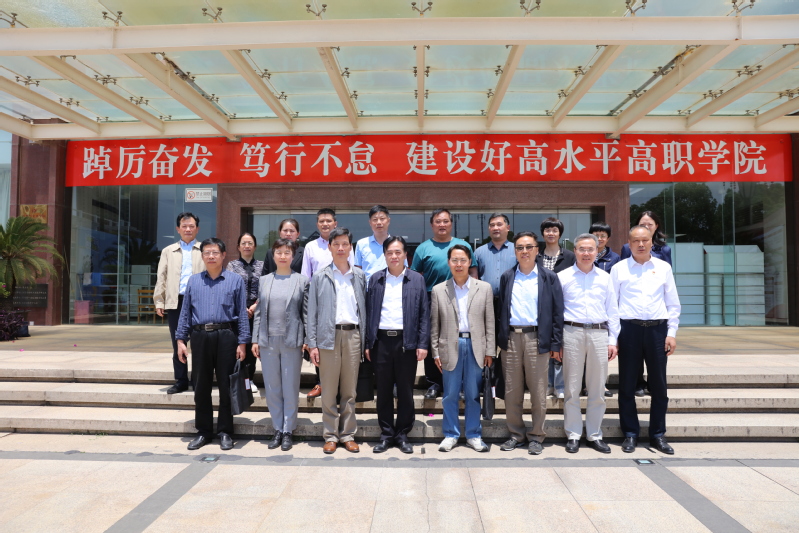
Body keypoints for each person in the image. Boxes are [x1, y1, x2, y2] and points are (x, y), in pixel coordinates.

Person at [611, 225, 681, 455]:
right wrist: (613, 337)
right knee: (627, 385)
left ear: (652, 242)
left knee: (659, 385)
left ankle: (657, 434)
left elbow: (673, 303)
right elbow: (612, 306)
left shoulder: (663, 268)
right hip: (628, 330)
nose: (641, 244)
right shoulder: (619, 269)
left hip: (657, 331)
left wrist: (671, 333)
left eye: (645, 240)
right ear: (629, 244)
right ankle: (630, 433)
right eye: (636, 241)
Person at [175, 238, 250, 451]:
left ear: (223, 255)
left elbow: (242, 314)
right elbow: (185, 312)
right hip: (200, 336)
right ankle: (204, 431)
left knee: (226, 385)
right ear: (202, 256)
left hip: (226, 336)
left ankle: (225, 431)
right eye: (207, 252)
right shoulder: (194, 281)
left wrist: (243, 342)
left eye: (215, 252)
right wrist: (181, 340)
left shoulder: (235, 280)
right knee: (201, 386)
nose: (211, 256)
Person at [496, 232, 563, 456]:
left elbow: (557, 313)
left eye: (528, 247)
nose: (524, 251)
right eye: (519, 247)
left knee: (538, 391)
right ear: (515, 251)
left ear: (537, 250)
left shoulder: (548, 277)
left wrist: (555, 344)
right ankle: (516, 434)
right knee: (512, 391)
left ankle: (536, 436)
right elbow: (501, 309)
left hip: (537, 339)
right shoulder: (507, 276)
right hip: (511, 339)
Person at [364, 236, 429, 454]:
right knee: (383, 390)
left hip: (406, 342)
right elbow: (369, 313)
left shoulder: (416, 279)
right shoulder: (375, 279)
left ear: (405, 255)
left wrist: (422, 343)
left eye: (398, 252)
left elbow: (424, 314)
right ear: (384, 255)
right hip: (381, 342)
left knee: (405, 390)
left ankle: (402, 434)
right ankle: (386, 434)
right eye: (390, 252)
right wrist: (368, 342)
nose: (394, 256)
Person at [557, 233, 620, 454]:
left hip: (599, 334)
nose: (586, 253)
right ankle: (573, 434)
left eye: (590, 249)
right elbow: (557, 311)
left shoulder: (605, 277)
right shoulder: (563, 277)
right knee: (572, 388)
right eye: (582, 249)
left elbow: (613, 310)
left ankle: (594, 434)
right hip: (571, 332)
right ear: (575, 251)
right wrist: (558, 342)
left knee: (597, 388)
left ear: (597, 251)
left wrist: (613, 340)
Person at [305, 228, 367, 454]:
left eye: (345, 244)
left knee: (350, 391)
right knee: (329, 390)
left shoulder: (359, 276)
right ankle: (330, 435)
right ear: (329, 247)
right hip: (327, 337)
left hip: (353, 336)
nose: (341, 248)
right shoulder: (320, 277)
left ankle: (348, 434)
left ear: (350, 247)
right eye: (336, 244)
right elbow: (311, 312)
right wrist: (312, 343)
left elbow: (364, 310)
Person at [431, 244, 494, 453]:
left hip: (476, 346)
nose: (459, 264)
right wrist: (435, 351)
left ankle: (474, 435)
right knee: (450, 394)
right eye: (454, 260)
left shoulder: (483, 288)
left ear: (470, 262)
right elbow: (435, 324)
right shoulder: (439, 290)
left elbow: (489, 321)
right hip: (450, 345)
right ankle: (451, 434)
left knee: (473, 394)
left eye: (463, 260)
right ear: (449, 263)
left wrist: (490, 350)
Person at [410, 208, 477, 400]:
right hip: (431, 297)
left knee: (458, 338)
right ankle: (434, 383)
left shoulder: (462, 245)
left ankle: (461, 383)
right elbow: (416, 276)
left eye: (445, 221)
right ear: (432, 225)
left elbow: (473, 270)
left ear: (451, 224)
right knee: (433, 339)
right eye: (438, 221)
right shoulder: (423, 248)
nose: (442, 225)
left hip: (460, 295)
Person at [252, 239, 309, 452]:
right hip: (268, 341)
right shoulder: (264, 280)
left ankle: (288, 430)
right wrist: (255, 339)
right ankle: (277, 428)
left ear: (292, 256)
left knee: (290, 386)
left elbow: (305, 313)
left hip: (292, 340)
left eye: (287, 252)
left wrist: (307, 340)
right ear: (273, 255)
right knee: (272, 387)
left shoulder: (301, 281)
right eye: (279, 252)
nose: (283, 256)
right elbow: (259, 312)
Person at [301, 209, 353, 399]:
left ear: (335, 223)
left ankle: (341, 387)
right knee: (321, 344)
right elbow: (306, 277)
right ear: (317, 224)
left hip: (342, 297)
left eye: (328, 221)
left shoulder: (345, 244)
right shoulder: (310, 247)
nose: (325, 224)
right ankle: (321, 382)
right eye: (321, 221)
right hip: (319, 298)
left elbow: (353, 271)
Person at [620, 211, 672, 397]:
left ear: (656, 226)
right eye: (643, 224)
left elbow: (668, 281)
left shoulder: (664, 251)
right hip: (632, 316)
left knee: (656, 362)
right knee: (633, 360)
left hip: (655, 310)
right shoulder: (627, 250)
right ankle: (638, 383)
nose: (646, 227)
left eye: (650, 224)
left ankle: (653, 386)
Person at [154, 212, 205, 395]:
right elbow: (161, 276)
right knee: (178, 342)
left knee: (200, 343)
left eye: (191, 226)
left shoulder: (205, 249)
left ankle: (198, 380)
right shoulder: (168, 251)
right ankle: (181, 380)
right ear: (178, 229)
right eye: (184, 226)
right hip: (176, 301)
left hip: (199, 302)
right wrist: (159, 301)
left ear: (197, 229)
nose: (188, 229)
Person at [537, 217, 575, 400]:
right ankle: (547, 383)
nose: (551, 233)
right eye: (547, 230)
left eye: (554, 230)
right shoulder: (537, 255)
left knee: (559, 344)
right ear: (542, 233)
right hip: (540, 306)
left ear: (560, 234)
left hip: (563, 305)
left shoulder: (569, 256)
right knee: (544, 346)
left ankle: (559, 384)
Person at [225, 232, 263, 393]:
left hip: (256, 311)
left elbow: (265, 289)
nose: (247, 246)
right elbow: (229, 289)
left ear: (255, 246)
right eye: (243, 243)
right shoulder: (232, 265)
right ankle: (236, 379)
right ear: (238, 247)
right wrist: (242, 309)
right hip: (237, 312)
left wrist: (255, 306)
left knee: (251, 347)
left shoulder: (262, 265)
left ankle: (249, 380)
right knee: (237, 346)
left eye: (250, 243)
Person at [473, 212, 517, 309]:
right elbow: (474, 277)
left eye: (499, 224)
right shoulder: (479, 252)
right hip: (485, 301)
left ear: (508, 228)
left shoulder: (517, 250)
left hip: (511, 301)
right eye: (492, 225)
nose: (495, 228)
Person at [355, 205, 406, 282]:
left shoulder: (397, 243)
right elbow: (357, 271)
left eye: (382, 219)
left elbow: (404, 268)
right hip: (368, 287)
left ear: (388, 221)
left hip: (393, 286)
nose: (378, 222)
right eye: (375, 219)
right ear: (370, 222)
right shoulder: (361, 244)